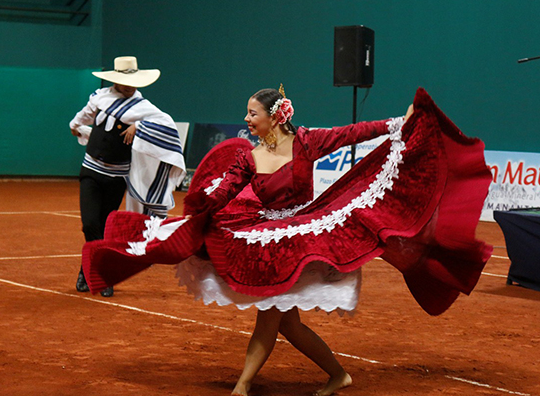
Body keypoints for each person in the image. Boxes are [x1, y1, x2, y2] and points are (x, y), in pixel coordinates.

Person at [81, 86, 492, 394]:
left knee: (272, 315)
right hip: (266, 237)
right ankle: (337, 374)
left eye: (252, 113)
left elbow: (354, 132)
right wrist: (200, 202)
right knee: (286, 322)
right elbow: (223, 192)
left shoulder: (307, 142)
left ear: (275, 117)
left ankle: (245, 386)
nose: (246, 119)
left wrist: (398, 125)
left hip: (301, 237)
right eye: (246, 113)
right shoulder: (248, 156)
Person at [69, 56, 185, 297]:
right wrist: (77, 126)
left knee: (105, 226)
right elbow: (80, 119)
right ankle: (94, 270)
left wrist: (140, 127)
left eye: (133, 81)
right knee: (90, 224)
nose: (130, 86)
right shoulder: (100, 98)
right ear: (115, 81)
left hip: (116, 176)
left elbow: (167, 125)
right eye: (125, 81)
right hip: (91, 170)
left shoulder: (144, 108)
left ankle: (97, 274)